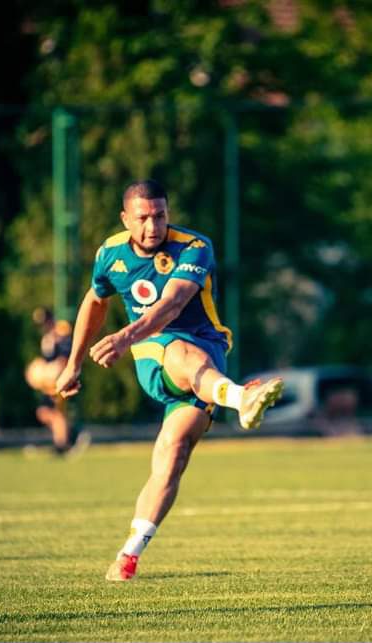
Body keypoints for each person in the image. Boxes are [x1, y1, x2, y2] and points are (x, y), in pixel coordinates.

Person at [55, 179, 284, 581]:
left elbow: (173, 302)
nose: (152, 226)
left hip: (207, 353)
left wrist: (123, 336)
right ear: (126, 219)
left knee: (172, 456)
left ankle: (129, 554)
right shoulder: (109, 254)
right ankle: (241, 398)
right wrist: (73, 362)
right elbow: (96, 299)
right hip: (153, 353)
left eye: (159, 215)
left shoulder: (194, 247)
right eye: (142, 218)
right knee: (175, 350)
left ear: (168, 213)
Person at [24, 307, 90, 455]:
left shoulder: (62, 332)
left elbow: (66, 357)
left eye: (45, 321)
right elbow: (47, 359)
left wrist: (54, 370)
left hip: (60, 379)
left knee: (56, 412)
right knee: (44, 412)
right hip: (49, 382)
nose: (44, 325)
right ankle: (71, 435)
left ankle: (62, 444)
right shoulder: (47, 338)